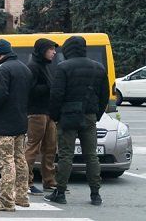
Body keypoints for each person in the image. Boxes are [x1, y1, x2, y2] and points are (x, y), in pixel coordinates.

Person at [45, 36, 109, 206]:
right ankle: (95, 194)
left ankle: (60, 192)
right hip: (89, 116)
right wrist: (97, 114)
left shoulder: (63, 67)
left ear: (68, 50)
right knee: (91, 156)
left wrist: (55, 116)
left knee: (66, 155)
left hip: (68, 116)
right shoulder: (99, 67)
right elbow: (104, 96)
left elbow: (56, 95)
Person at [0, 39, 33, 212]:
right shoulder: (24, 68)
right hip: (21, 121)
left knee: (5, 162)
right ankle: (22, 197)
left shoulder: (2, 69)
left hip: (4, 123)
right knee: (20, 160)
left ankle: (6, 201)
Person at [25, 39, 59, 196]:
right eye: (51, 49)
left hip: (48, 112)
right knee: (33, 148)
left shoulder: (45, 66)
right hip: (36, 112)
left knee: (51, 147)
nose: (54, 52)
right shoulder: (33, 66)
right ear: (43, 50)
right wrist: (49, 87)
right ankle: (26, 181)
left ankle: (49, 180)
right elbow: (30, 91)